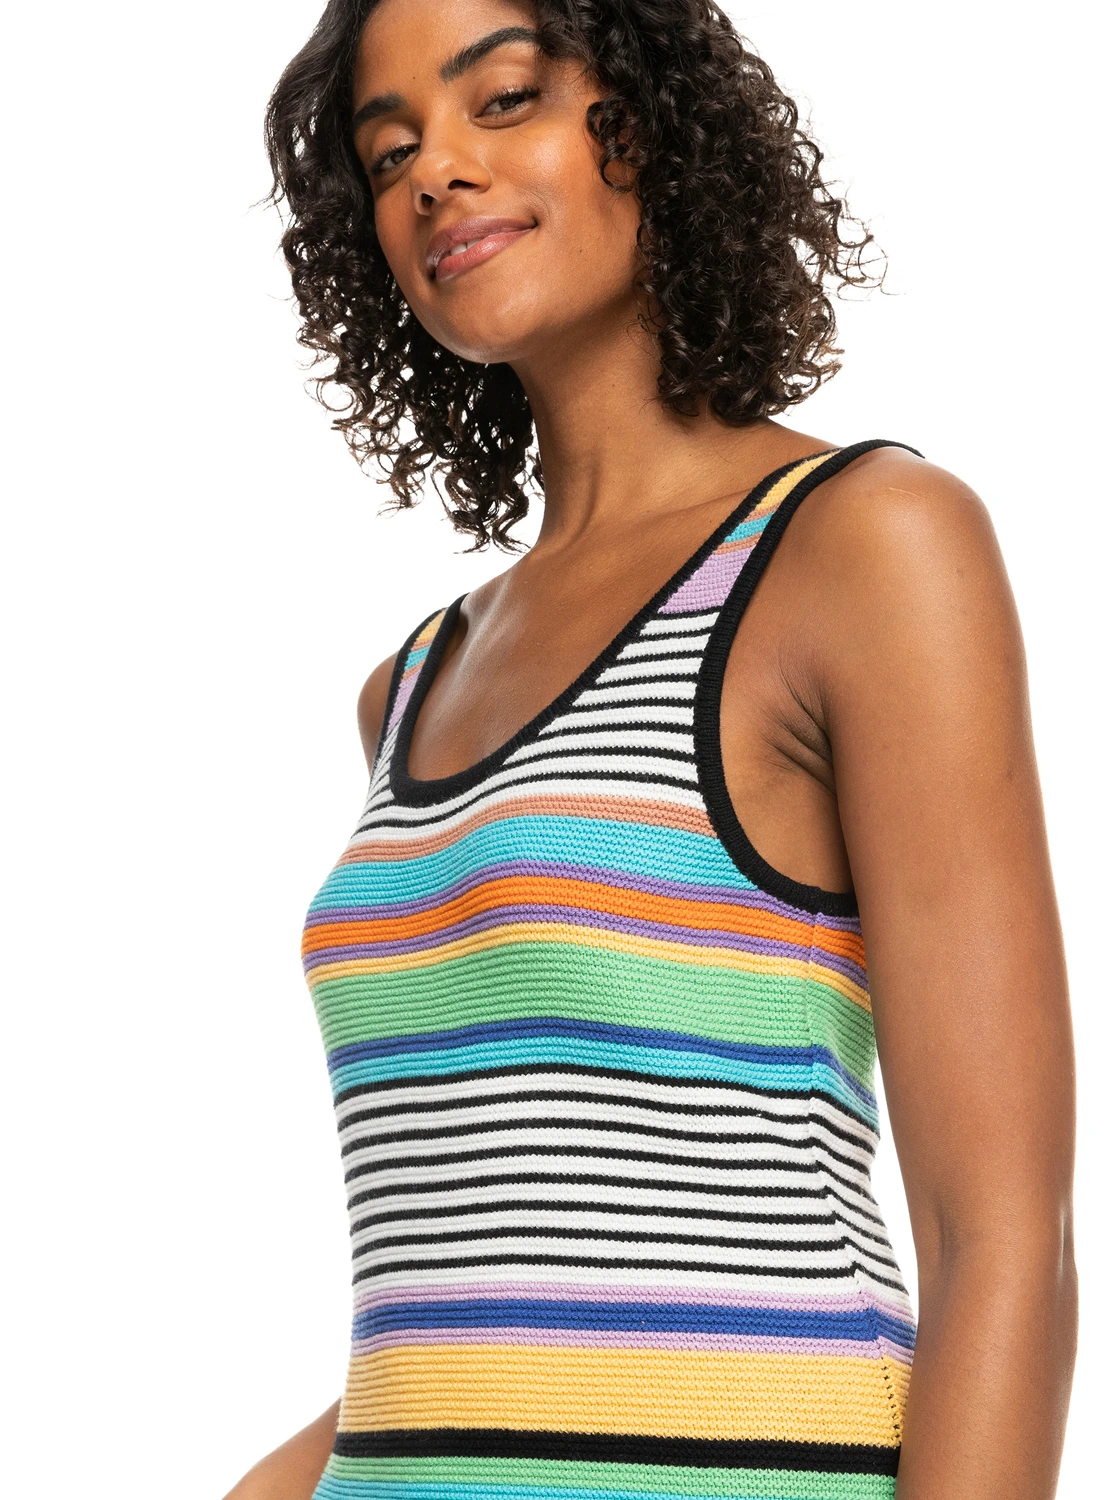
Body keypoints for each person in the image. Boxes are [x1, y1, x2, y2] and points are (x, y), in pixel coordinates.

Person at [227, 1, 1077, 1496]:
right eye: (388, 151)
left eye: (503, 98)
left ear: (653, 124)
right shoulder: (409, 687)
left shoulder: (865, 550)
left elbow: (998, 1239)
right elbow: (473, 1305)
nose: (436, 172)